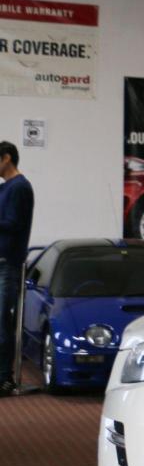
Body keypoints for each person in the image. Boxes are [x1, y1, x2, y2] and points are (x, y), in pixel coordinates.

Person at [0, 141, 35, 396]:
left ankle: (5, 378)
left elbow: (12, 224)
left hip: (8, 264)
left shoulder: (20, 188)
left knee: (3, 322)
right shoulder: (6, 188)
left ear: (7, 158)